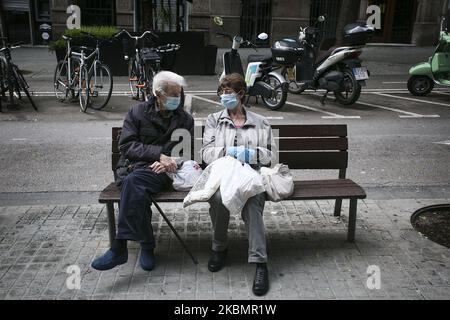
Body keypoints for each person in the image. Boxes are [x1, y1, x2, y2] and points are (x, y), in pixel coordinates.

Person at [91, 71, 194, 271]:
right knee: (136, 186)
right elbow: (127, 145)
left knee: (134, 184)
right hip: (134, 167)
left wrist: (169, 161)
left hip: (165, 172)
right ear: (158, 93)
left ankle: (121, 247)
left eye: (179, 94)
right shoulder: (137, 112)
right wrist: (158, 155)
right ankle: (146, 245)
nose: (178, 99)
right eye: (173, 94)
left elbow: (186, 152)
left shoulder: (184, 119)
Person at [202, 73, 276, 296]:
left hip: (250, 176)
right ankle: (219, 247)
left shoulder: (260, 122)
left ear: (241, 94)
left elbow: (270, 154)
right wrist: (227, 152)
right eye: (221, 93)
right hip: (223, 175)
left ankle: (259, 262)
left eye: (228, 92)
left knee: (253, 199)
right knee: (217, 198)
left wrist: (249, 154)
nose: (223, 97)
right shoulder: (214, 120)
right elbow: (206, 153)